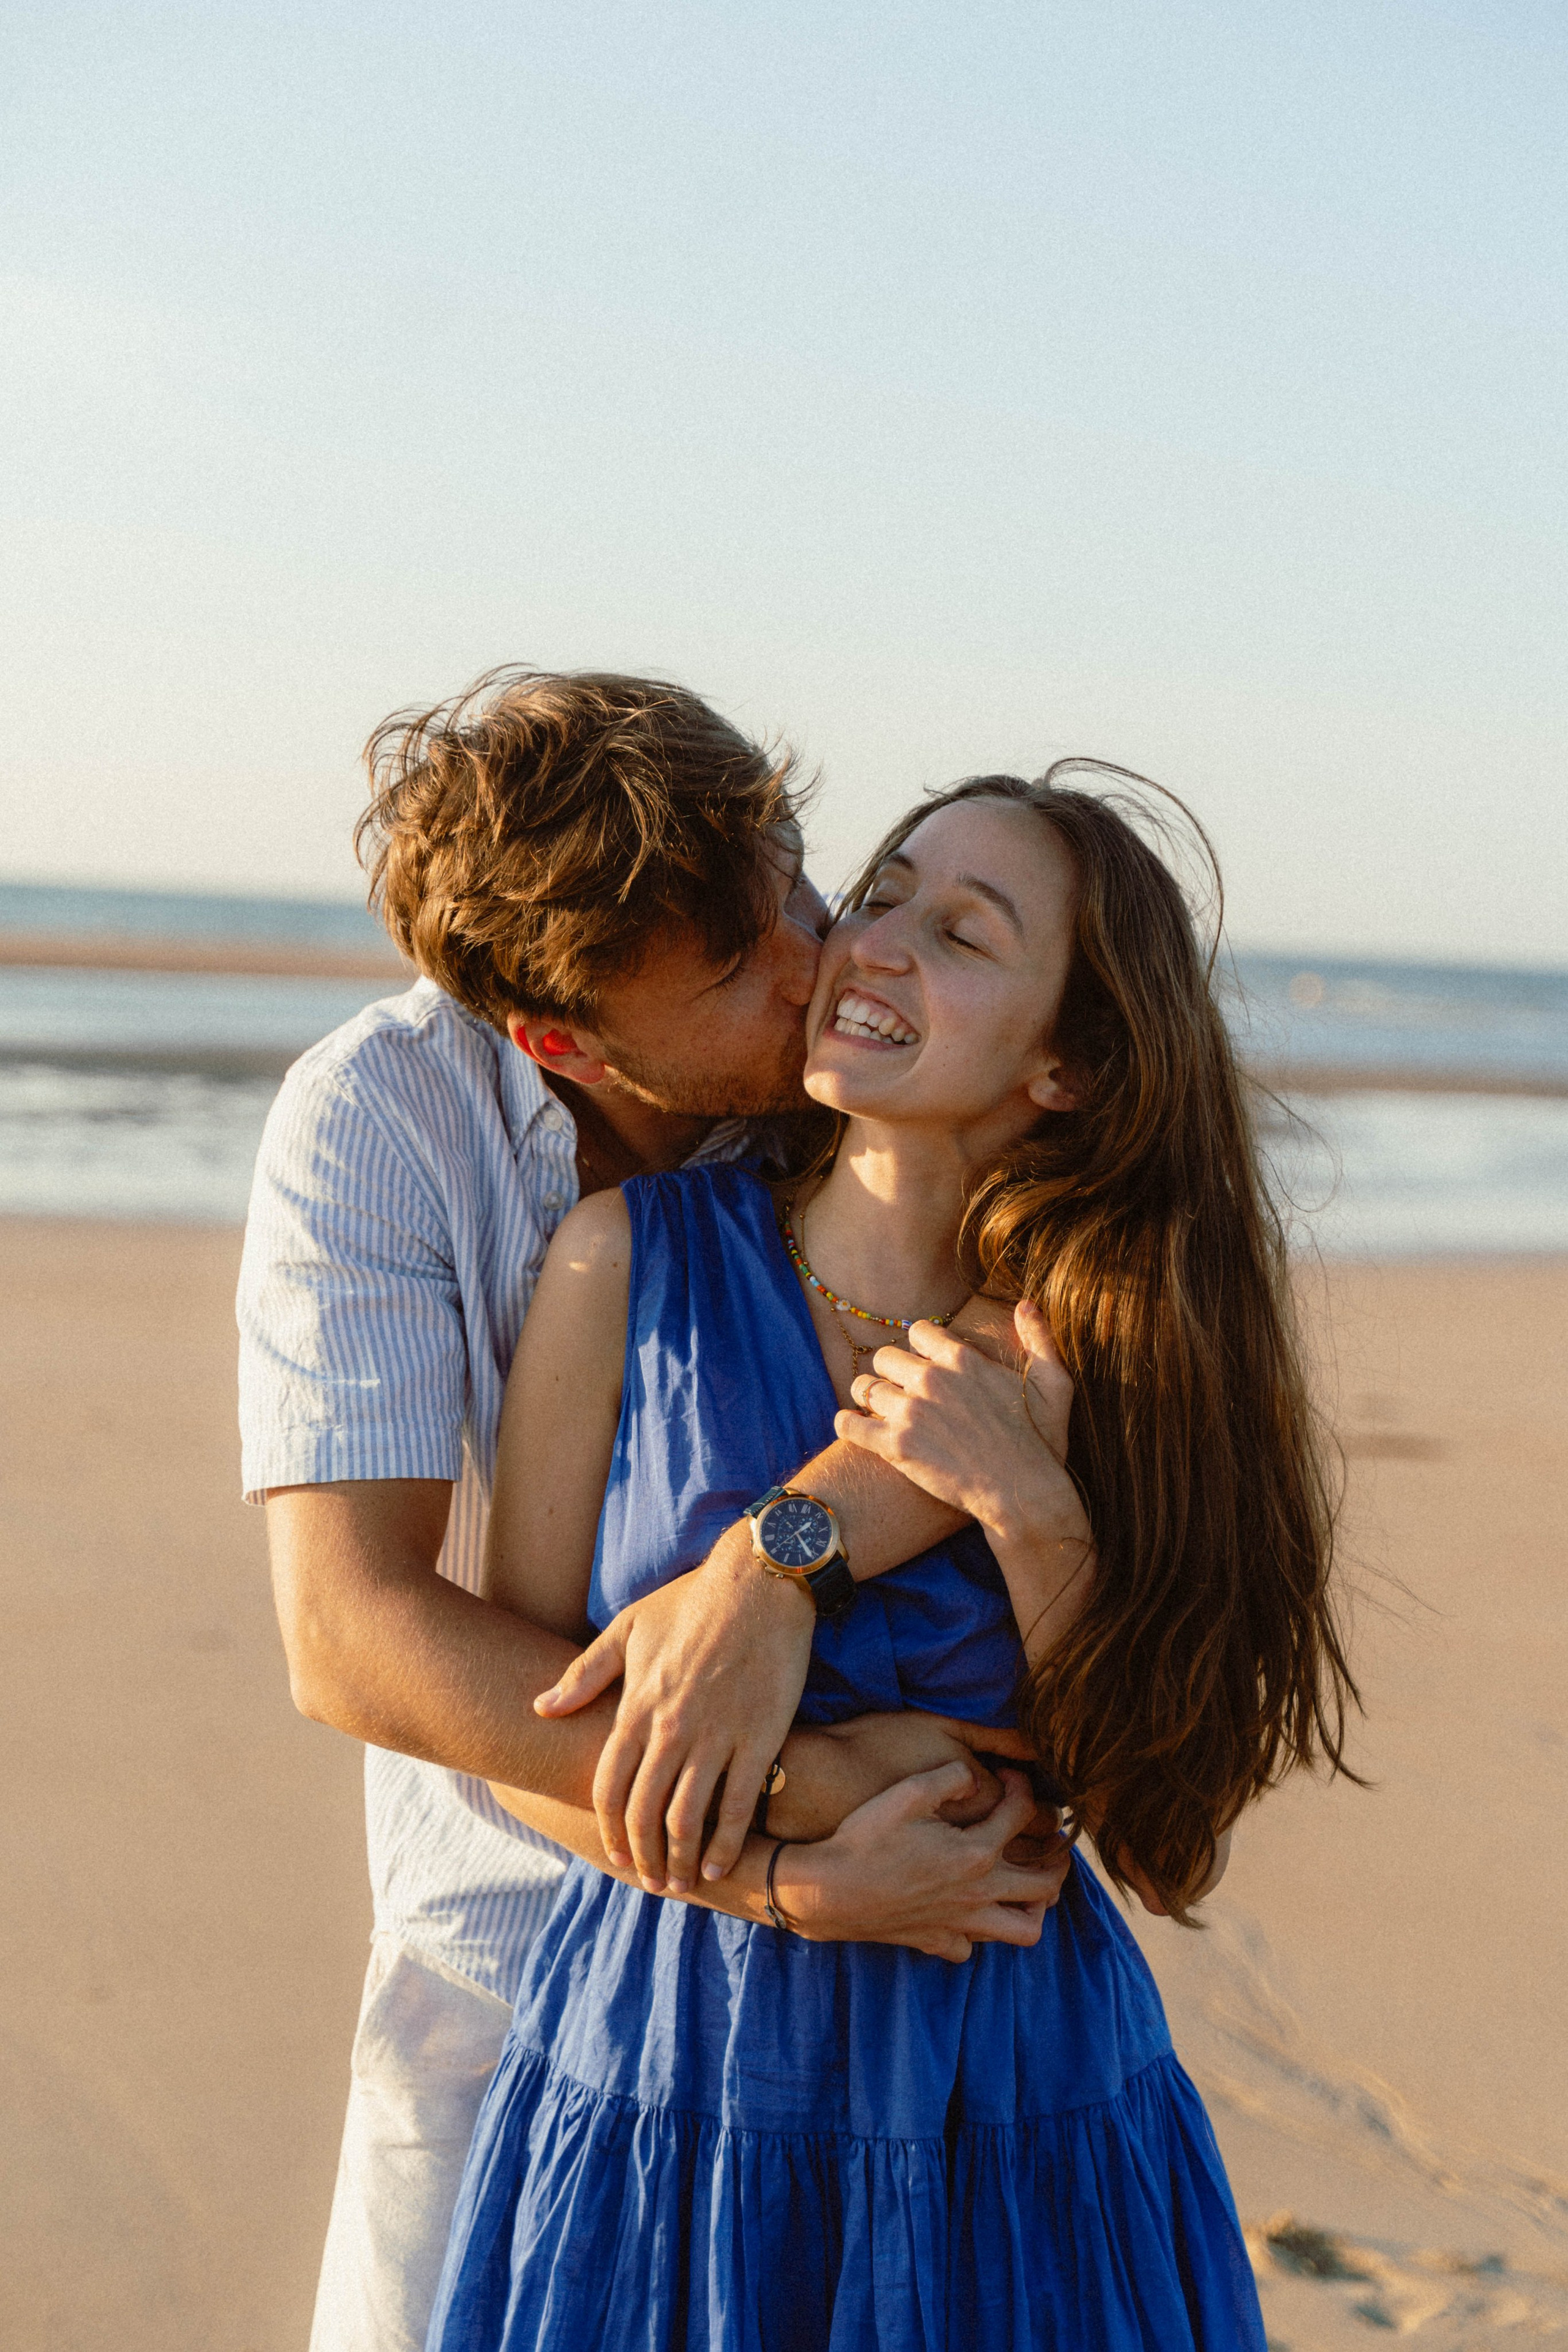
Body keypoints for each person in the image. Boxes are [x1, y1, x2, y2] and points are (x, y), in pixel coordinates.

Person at [426, 769, 1357, 2351]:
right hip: (675, 2083)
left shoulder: (1110, 1346)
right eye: (882, 893)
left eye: (965, 934)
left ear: (1067, 1064)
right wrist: (794, 1879)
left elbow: (1168, 1839)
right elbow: (522, 1738)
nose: (875, 942)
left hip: (1015, 2117)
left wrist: (1033, 1514)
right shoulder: (622, 1264)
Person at [238, 671, 1071, 2352]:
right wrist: (799, 1824)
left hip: (898, 2000)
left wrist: (769, 1573)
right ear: (561, 1037)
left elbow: (1022, 1343)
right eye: (743, 968)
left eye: (801, 891)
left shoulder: (855, 1093)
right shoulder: (382, 1119)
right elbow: (351, 1634)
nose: (818, 963)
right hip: (516, 1940)